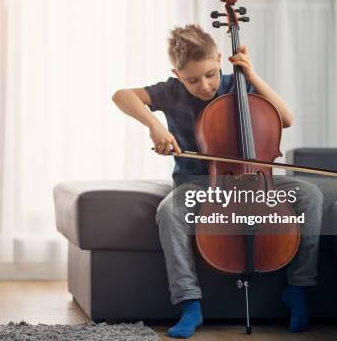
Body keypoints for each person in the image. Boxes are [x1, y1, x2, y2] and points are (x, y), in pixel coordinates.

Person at [112, 24, 323, 338]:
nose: (205, 85)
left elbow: (286, 118)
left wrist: (251, 76)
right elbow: (121, 96)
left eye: (211, 74)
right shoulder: (171, 91)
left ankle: (299, 288)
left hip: (257, 180)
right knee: (169, 212)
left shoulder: (237, 85)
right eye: (193, 79)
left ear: (220, 60)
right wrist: (154, 125)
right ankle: (190, 304)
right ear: (177, 73)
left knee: (310, 194)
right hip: (196, 185)